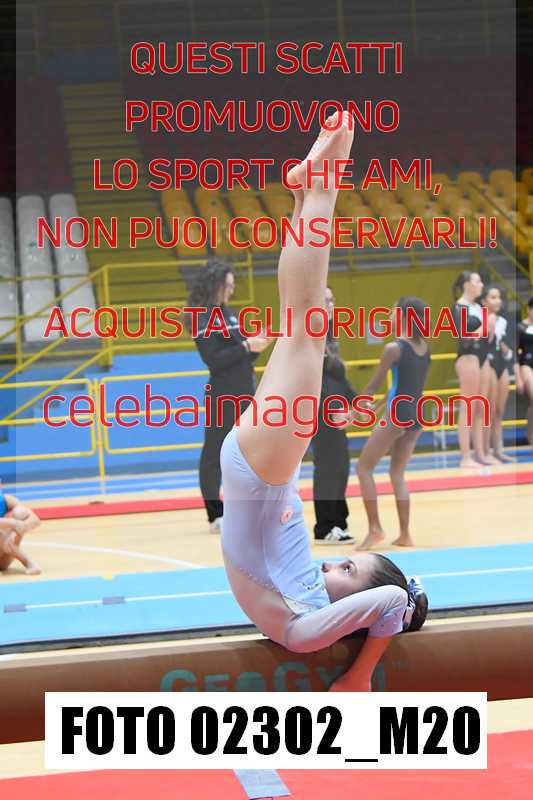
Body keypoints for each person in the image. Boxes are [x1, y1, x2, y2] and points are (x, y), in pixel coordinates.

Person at [220, 111, 428, 692]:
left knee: (305, 324)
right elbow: (396, 600)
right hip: (263, 473)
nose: (331, 562)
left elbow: (392, 600)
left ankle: (321, 186)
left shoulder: (307, 625)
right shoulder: (307, 616)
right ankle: (313, 191)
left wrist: (361, 661)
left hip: (262, 474)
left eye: (344, 568)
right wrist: (359, 675)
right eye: (348, 565)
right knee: (302, 322)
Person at [187, 261, 272, 531]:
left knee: (247, 453)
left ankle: (245, 508)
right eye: (228, 285)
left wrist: (257, 344)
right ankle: (215, 513)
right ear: (215, 284)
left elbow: (241, 354)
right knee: (215, 453)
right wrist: (247, 345)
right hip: (222, 394)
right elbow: (214, 359)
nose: (232, 290)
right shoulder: (200, 316)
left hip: (244, 391)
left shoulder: (228, 313)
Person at [356, 297, 430, 550]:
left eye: (392, 311)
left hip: (397, 414)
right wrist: (379, 407)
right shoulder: (424, 347)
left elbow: (373, 385)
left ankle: (375, 529)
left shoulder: (394, 348)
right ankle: (405, 534)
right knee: (397, 473)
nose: (388, 315)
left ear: (403, 316)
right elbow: (404, 387)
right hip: (416, 413)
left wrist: (356, 409)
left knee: (364, 468)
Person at [312, 286, 357, 545]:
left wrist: (353, 402)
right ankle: (325, 525)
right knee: (327, 468)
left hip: (337, 410)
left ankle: (339, 521)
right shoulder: (310, 335)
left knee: (341, 467)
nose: (330, 304)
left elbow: (338, 376)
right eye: (325, 300)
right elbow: (316, 377)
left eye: (332, 300)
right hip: (320, 411)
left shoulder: (330, 333)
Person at [452, 271, 496, 467]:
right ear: (467, 284)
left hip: (483, 356)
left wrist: (491, 329)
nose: (481, 285)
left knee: (480, 406)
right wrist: (485, 326)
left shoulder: (478, 307)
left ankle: (480, 453)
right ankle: (465, 456)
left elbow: (488, 337)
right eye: (478, 281)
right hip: (468, 357)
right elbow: (464, 340)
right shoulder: (458, 307)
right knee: (468, 406)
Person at [481, 285, 517, 462]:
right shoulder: (479, 319)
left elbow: (509, 350)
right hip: (487, 363)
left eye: (499, 297)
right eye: (493, 297)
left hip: (501, 363)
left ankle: (498, 449)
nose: (498, 301)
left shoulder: (503, 320)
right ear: (483, 301)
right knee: (488, 409)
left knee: (499, 411)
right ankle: (484, 451)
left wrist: (506, 350)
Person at [0, 488, 41, 575]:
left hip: (4, 555)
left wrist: (16, 531)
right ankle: (29, 563)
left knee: (20, 512)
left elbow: (35, 520)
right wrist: (14, 523)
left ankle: (11, 546)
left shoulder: (7, 500)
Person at [517, 296, 533, 448]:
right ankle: (531, 436)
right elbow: (514, 354)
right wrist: (518, 378)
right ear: (528, 309)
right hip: (526, 364)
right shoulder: (521, 327)